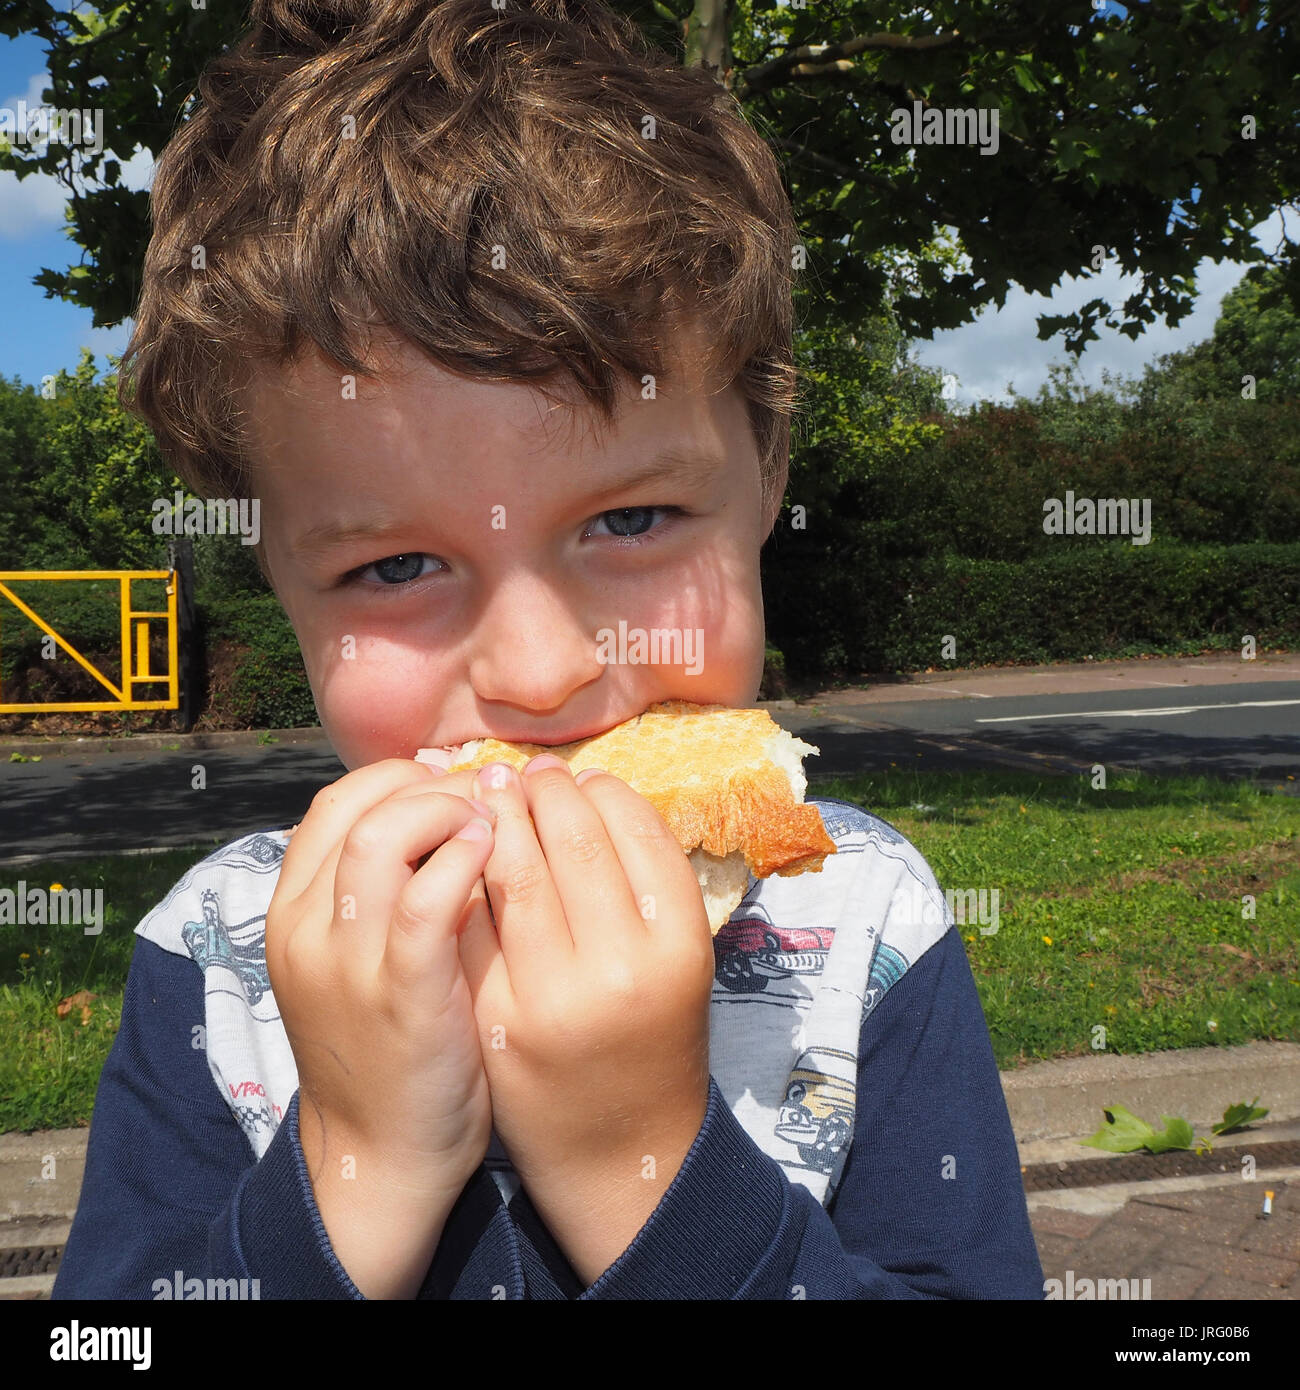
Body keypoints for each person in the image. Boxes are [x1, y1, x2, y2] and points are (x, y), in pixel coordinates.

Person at [53, 0, 1043, 1300]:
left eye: (632, 518)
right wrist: (354, 1166)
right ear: (278, 579)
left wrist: (642, 1162)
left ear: (765, 484)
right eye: (396, 566)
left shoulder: (865, 926)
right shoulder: (221, 964)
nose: (542, 668)